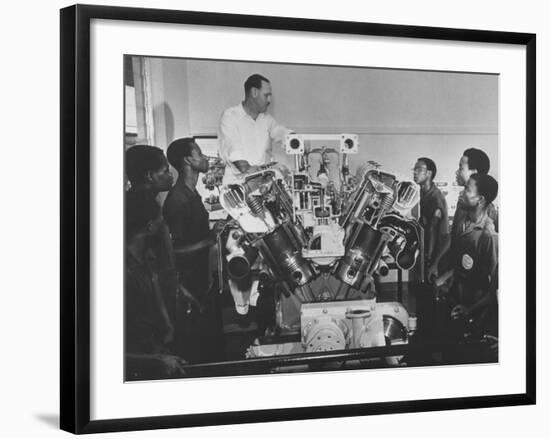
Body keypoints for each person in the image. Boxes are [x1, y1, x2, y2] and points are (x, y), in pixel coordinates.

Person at [125, 189, 186, 380]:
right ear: (150, 227)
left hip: (156, 350)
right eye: (161, 221)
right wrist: (157, 360)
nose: (164, 225)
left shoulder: (142, 260)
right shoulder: (123, 275)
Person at [427, 147, 498, 281]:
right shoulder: (463, 203)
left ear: (474, 173)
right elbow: (454, 236)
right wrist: (437, 262)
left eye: (461, 168)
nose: (457, 172)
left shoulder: (487, 213)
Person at [447, 173, 498, 337]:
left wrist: (470, 310)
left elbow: (494, 289)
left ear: (480, 199)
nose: (461, 192)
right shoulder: (463, 223)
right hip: (456, 301)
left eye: (467, 190)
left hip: (475, 314)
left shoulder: (487, 235)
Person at [218, 73, 292, 183]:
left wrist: (294, 139)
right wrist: (252, 171)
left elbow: (279, 132)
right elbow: (234, 150)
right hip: (237, 189)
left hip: (263, 185)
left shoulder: (266, 119)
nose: (269, 100)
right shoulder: (230, 116)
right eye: (266, 95)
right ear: (254, 92)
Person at [413, 157, 450, 280]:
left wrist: (432, 261)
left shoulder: (436, 198)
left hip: (435, 254)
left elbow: (437, 231)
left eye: (419, 169)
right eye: (414, 169)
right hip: (423, 249)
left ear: (429, 173)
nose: (414, 172)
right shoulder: (420, 194)